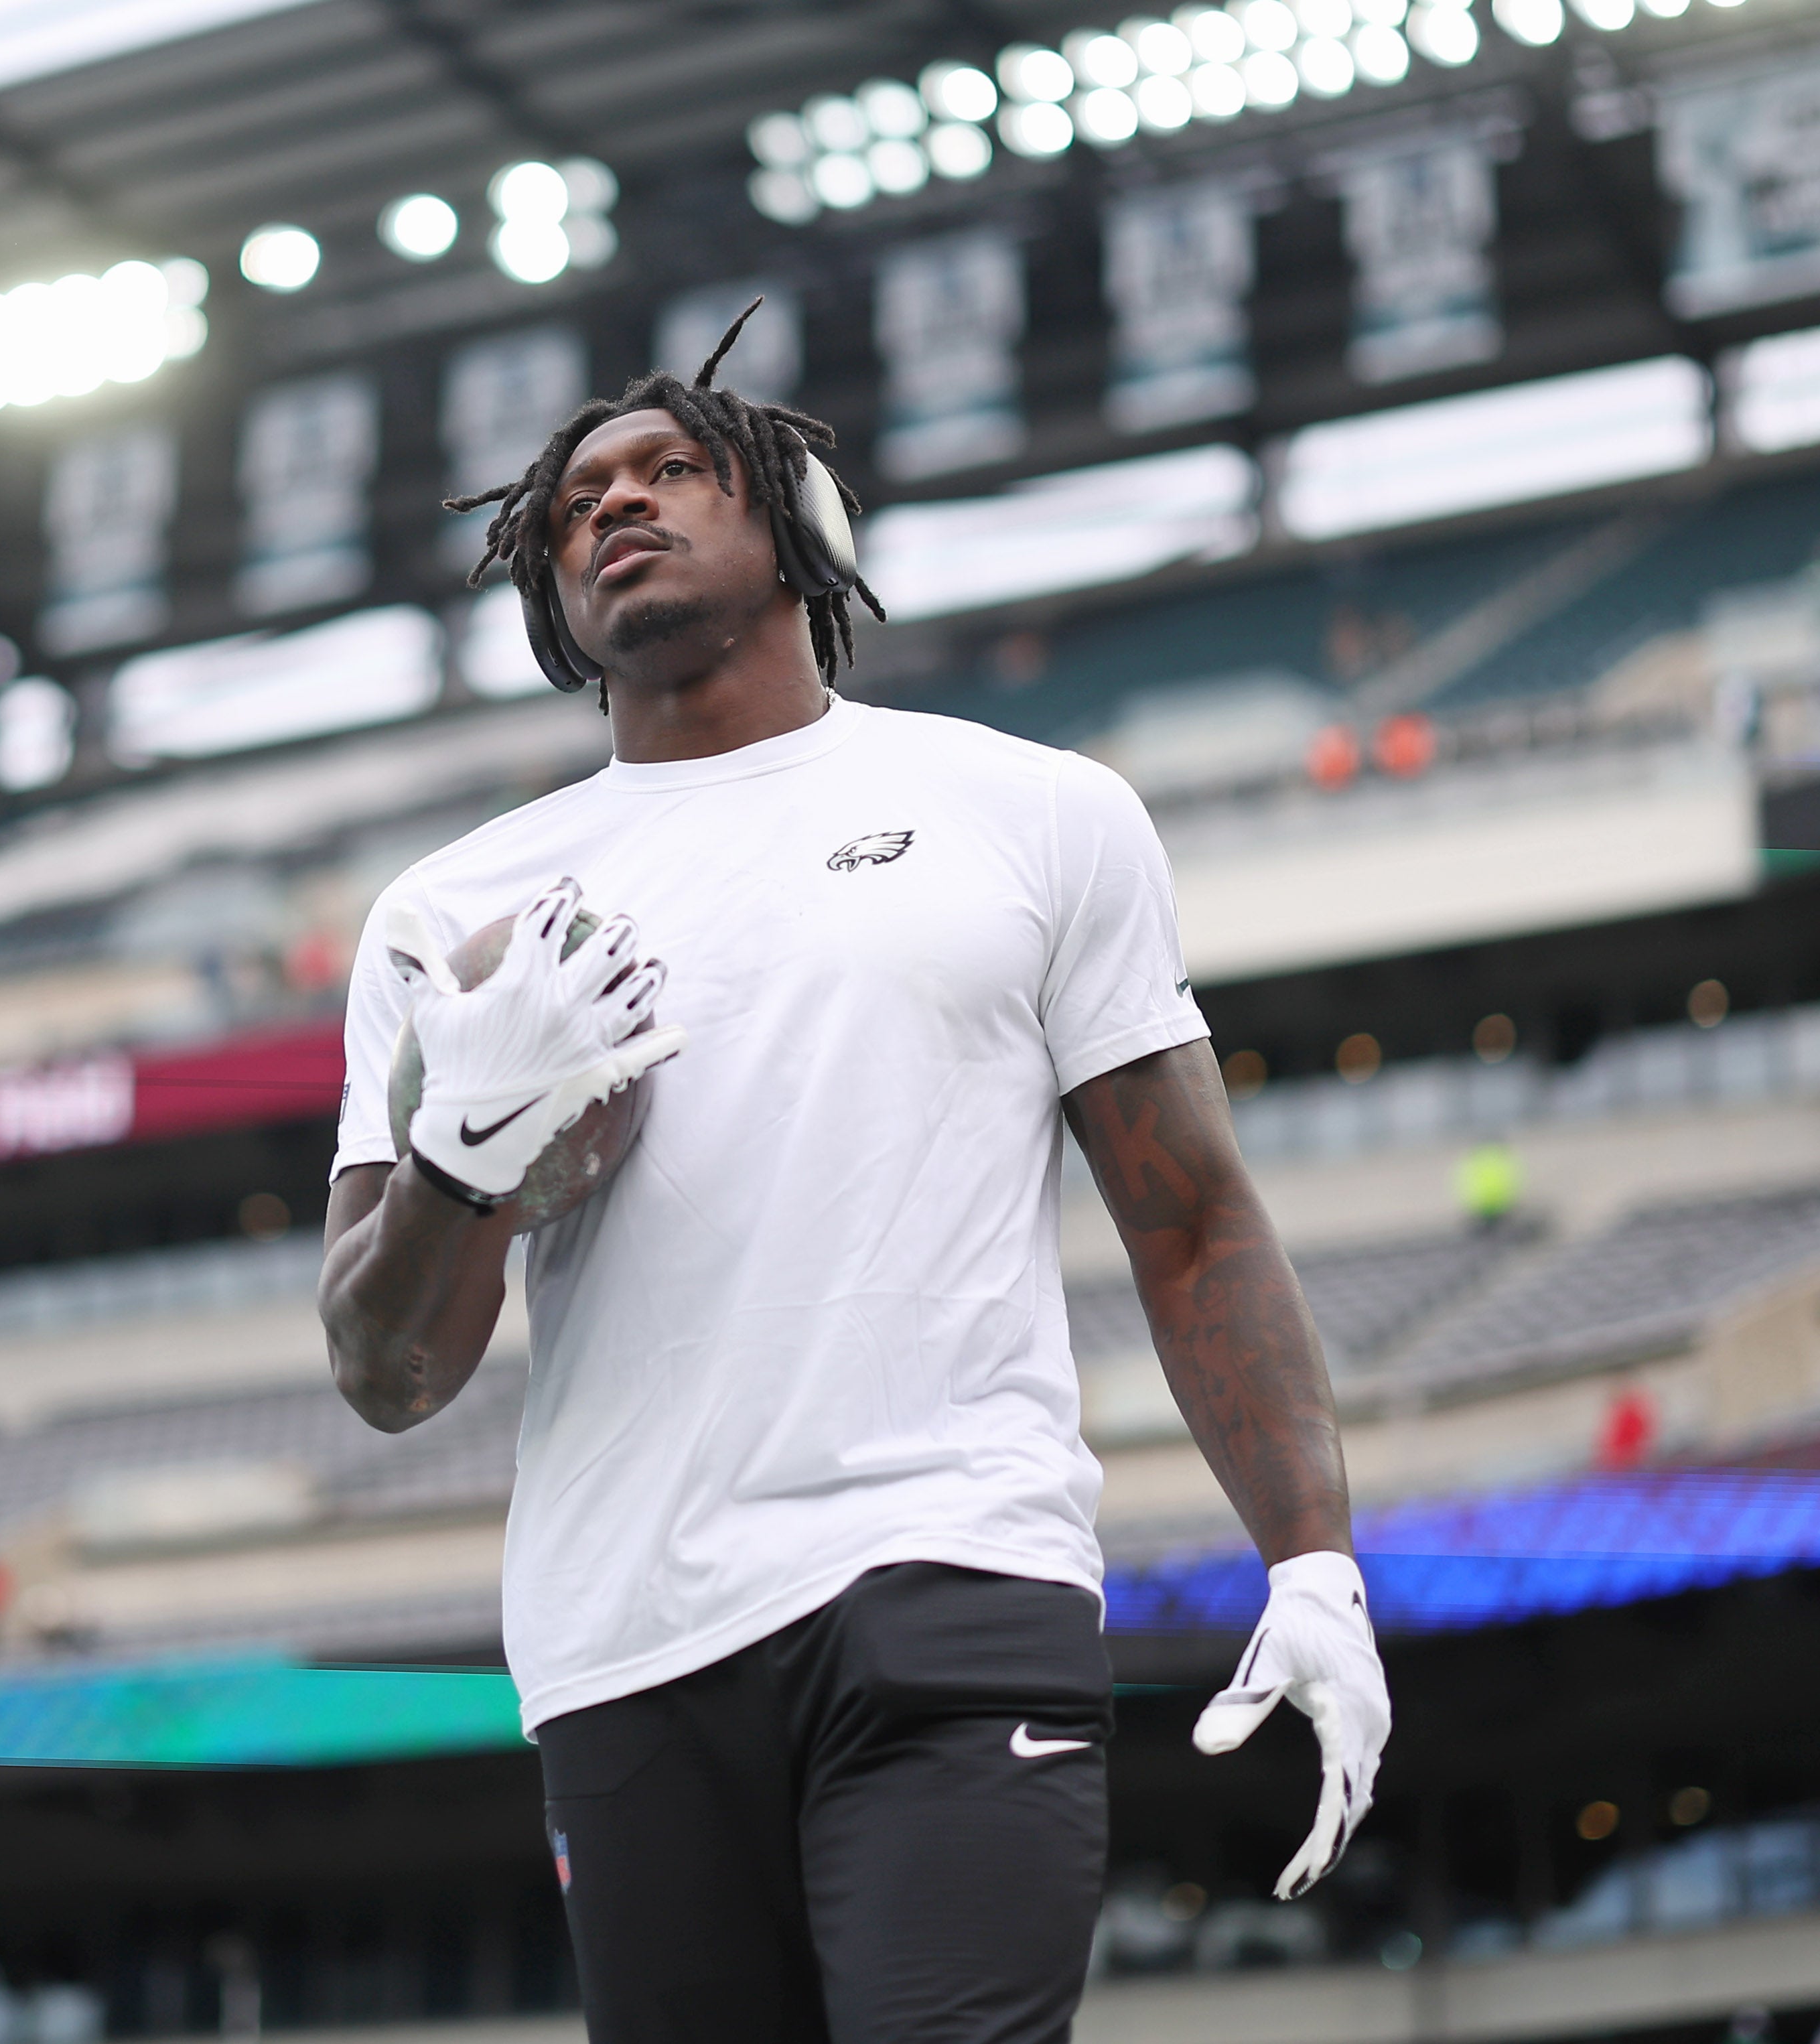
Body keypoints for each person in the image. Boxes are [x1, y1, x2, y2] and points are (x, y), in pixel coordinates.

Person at [318, 307, 1388, 2044]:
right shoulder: (449, 924)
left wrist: (1313, 1557)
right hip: (623, 1637)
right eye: (578, 500)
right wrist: (461, 1154)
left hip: (953, 1574)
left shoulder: (1035, 813)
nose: (616, 503)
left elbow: (1190, 1218)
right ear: (545, 589)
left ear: (797, 522)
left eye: (673, 469)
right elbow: (387, 1371)